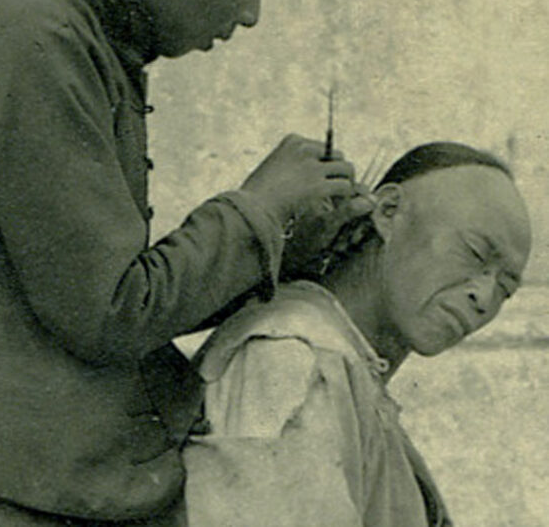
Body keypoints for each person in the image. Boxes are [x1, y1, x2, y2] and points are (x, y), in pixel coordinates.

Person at [0, 0, 358, 526]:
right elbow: (112, 311)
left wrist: (285, 240)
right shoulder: (35, 34)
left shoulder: (72, 22)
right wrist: (260, 208)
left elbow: (101, 301)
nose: (250, 16)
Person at [184, 141, 532, 527]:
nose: (484, 297)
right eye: (474, 253)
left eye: (505, 288)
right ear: (388, 211)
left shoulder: (351, 367)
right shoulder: (295, 359)